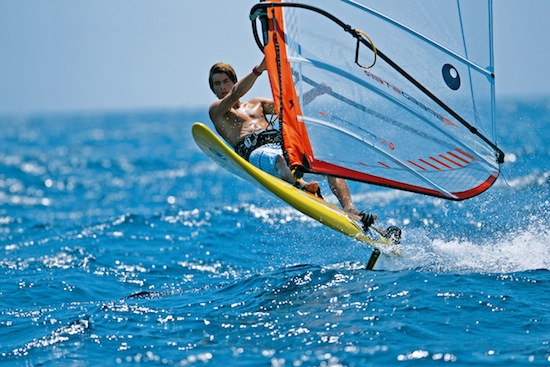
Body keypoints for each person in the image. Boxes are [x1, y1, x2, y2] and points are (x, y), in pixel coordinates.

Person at [208, 57, 376, 229]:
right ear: (213, 89)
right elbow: (235, 94)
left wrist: (315, 91)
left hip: (281, 146)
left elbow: (290, 106)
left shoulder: (256, 104)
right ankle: (304, 187)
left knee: (328, 166)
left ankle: (350, 208)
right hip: (256, 153)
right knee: (279, 160)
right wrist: (259, 69)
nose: (222, 87)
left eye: (225, 82)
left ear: (234, 81)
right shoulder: (217, 110)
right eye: (217, 84)